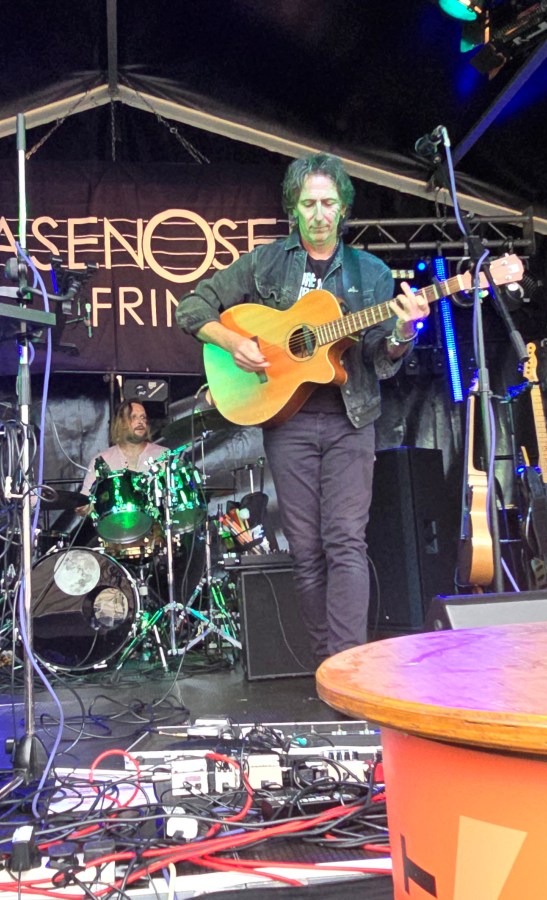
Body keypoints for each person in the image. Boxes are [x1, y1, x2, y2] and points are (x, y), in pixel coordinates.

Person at [174, 153, 430, 662]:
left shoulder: (371, 273)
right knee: (307, 550)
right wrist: (233, 341)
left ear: (343, 209)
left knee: (346, 541)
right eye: (308, 203)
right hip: (287, 421)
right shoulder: (266, 262)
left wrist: (403, 333)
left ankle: (348, 664)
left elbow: (380, 359)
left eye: (328, 203)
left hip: (350, 419)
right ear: (293, 207)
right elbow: (191, 307)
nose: (318, 214)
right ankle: (324, 663)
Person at [79, 401, 168, 494]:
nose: (140, 422)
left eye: (143, 417)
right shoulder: (102, 460)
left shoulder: (164, 456)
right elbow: (86, 497)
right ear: (121, 422)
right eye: (133, 417)